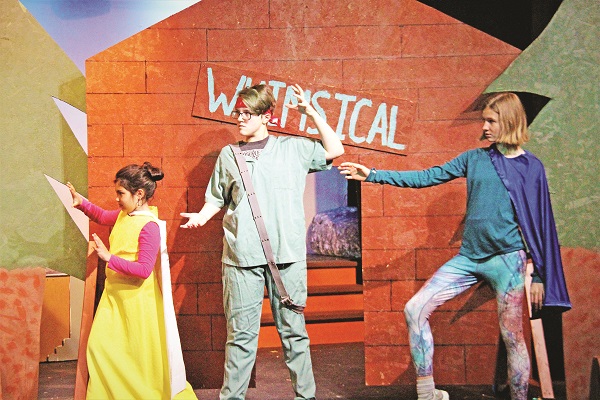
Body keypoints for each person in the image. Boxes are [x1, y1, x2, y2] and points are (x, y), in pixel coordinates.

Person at [338, 92, 570, 400]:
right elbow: (428, 176)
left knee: (512, 336)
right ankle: (427, 393)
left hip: (507, 261)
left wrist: (539, 274)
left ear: (509, 121)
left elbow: (541, 222)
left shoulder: (531, 167)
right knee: (415, 309)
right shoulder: (475, 158)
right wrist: (373, 175)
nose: (484, 127)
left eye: (491, 121)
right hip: (469, 259)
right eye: (484, 120)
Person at [180, 83, 344, 400]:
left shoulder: (293, 149)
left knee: (294, 333)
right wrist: (201, 216)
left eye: (248, 113)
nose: (240, 119)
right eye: (238, 113)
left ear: (266, 116)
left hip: (286, 257)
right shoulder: (229, 155)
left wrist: (311, 113)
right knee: (241, 337)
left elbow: (335, 150)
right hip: (241, 256)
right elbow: (217, 198)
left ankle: (306, 396)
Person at [68, 162, 197, 399]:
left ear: (139, 194)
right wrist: (82, 203)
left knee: (136, 361)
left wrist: (109, 257)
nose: (117, 199)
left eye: (121, 193)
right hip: (114, 298)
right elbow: (102, 216)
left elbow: (144, 270)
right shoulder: (124, 216)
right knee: (99, 347)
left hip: (137, 303)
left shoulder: (149, 226)